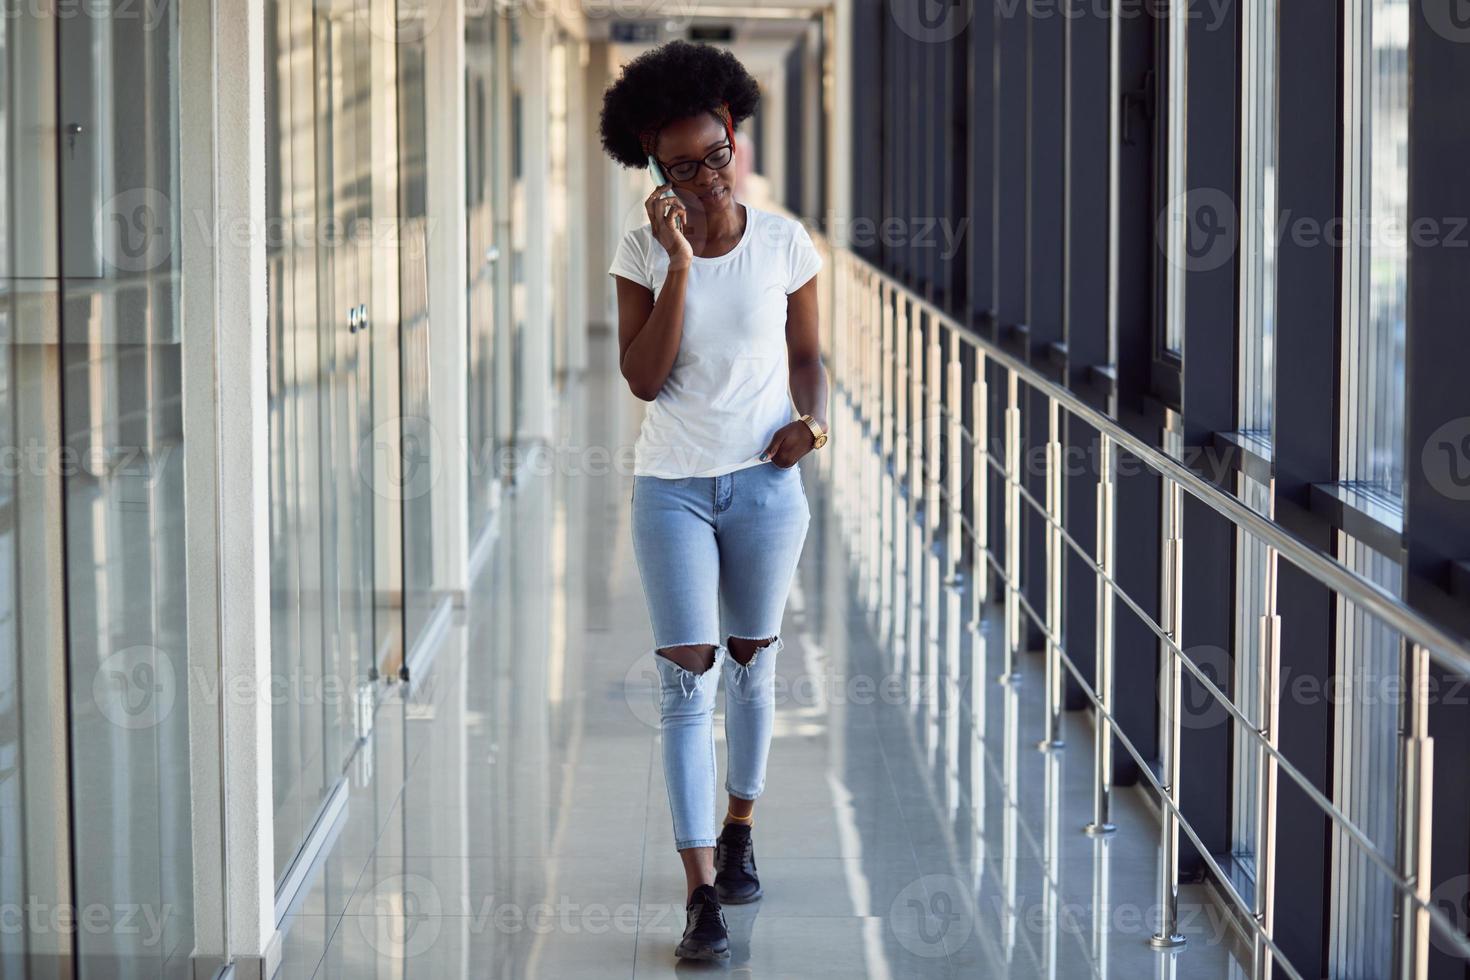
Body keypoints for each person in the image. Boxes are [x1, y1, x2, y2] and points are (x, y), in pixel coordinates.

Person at [600, 40, 829, 961]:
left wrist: (810, 429)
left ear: (734, 134)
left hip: (768, 488)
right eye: (679, 166)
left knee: (751, 665)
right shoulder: (640, 249)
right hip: (673, 490)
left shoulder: (785, 241)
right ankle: (702, 895)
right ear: (653, 167)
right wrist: (680, 264)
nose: (701, 176)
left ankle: (740, 828)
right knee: (685, 683)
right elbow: (644, 380)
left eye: (713, 155)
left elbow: (808, 359)